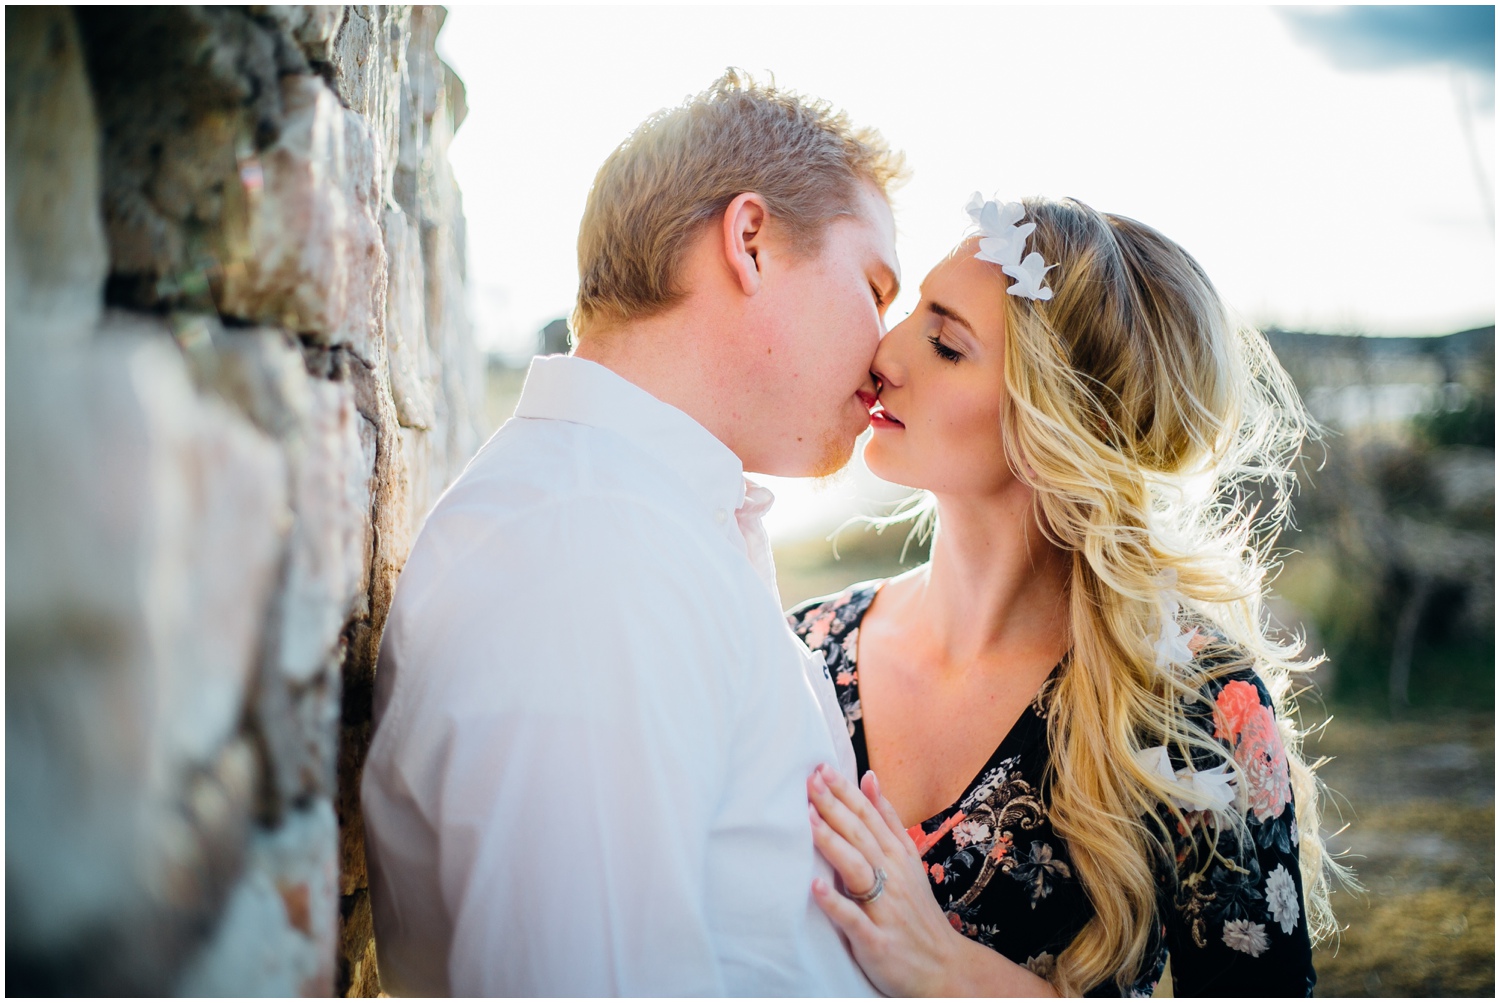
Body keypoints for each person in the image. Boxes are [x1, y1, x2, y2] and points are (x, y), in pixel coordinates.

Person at [360, 70, 905, 995]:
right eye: (875, 285)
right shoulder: (584, 556)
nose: (887, 350)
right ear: (752, 241)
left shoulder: (640, 524)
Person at [794, 194, 1342, 996]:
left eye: (946, 344)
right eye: (910, 312)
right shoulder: (805, 647)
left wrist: (953, 974)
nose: (887, 353)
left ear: (1059, 421)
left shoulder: (1195, 708)